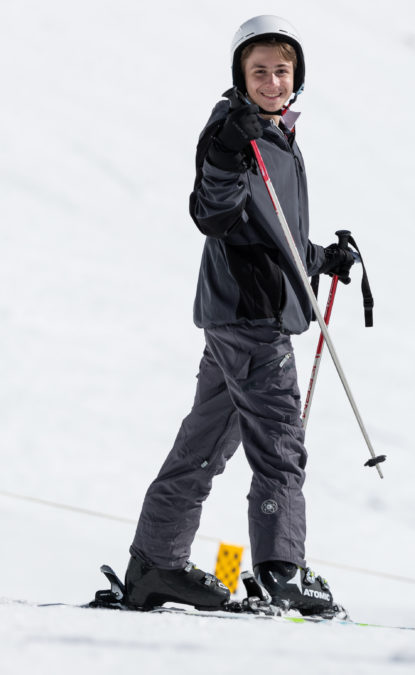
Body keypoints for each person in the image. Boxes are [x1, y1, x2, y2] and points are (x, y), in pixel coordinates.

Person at [124, 15, 357, 617]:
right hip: (253, 318)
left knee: (203, 444)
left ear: (297, 76)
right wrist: (227, 152)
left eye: (282, 71)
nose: (273, 82)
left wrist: (321, 259)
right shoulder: (232, 130)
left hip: (235, 314)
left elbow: (272, 234)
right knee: (280, 443)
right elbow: (215, 212)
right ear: (240, 76)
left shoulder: (276, 135)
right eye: (260, 72)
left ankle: (155, 565)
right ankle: (283, 572)